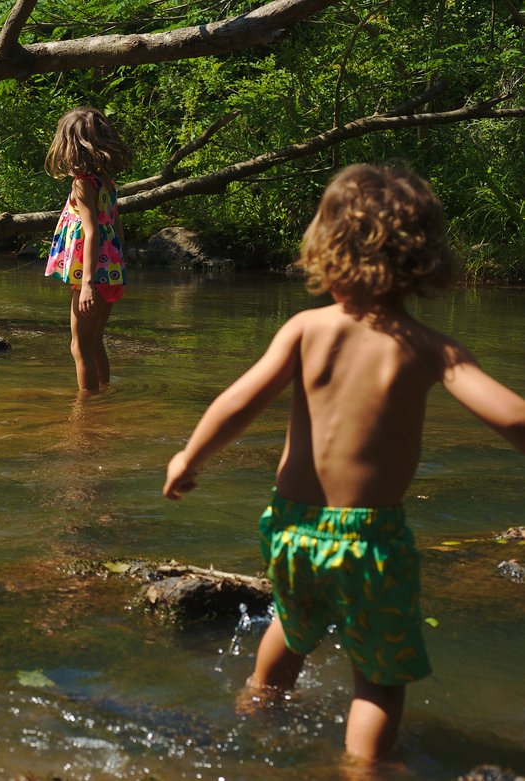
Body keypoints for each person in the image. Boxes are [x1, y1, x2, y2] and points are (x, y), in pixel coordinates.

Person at [161, 163, 525, 766]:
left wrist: (188, 457)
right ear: (423, 259)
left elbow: (238, 401)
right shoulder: (431, 348)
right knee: (378, 679)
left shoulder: (305, 330)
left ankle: (256, 715)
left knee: (292, 622)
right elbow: (512, 418)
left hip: (291, 527)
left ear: (326, 249)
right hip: (371, 538)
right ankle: (362, 771)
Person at [44, 106, 131, 393]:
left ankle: (88, 409)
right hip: (110, 270)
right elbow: (116, 228)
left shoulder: (83, 185)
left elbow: (92, 232)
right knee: (95, 342)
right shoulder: (106, 182)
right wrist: (117, 268)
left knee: (79, 346)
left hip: (91, 276)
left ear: (70, 147)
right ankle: (104, 391)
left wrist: (87, 285)